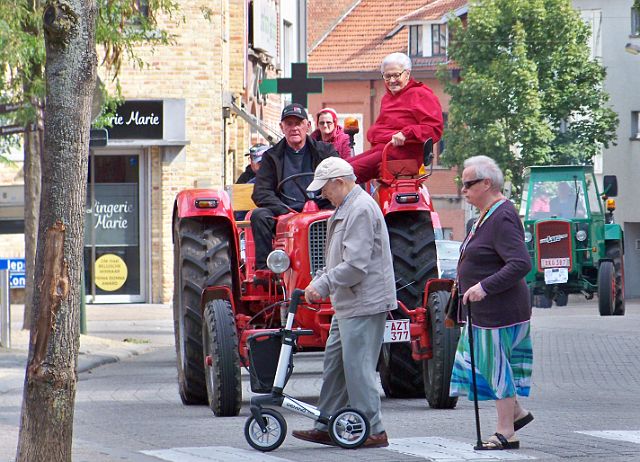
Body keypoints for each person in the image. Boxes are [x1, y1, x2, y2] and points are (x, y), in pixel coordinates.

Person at [291, 157, 396, 448]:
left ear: (340, 182)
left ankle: (373, 429)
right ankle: (328, 423)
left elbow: (356, 265)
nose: (323, 195)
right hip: (348, 302)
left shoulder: (359, 209)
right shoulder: (347, 207)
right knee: (336, 365)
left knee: (357, 368)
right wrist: (319, 281)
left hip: (363, 301)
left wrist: (322, 285)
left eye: (325, 189)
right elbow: (338, 260)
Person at [449, 155, 534, 450]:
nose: (464, 190)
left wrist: (485, 286)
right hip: (484, 311)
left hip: (499, 310)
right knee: (481, 365)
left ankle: (506, 431)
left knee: (497, 369)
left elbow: (521, 263)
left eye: (469, 184)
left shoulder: (503, 215)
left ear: (487, 183)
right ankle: (517, 413)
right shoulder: (483, 216)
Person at [251, 103, 338, 269]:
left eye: (298, 123)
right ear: (282, 127)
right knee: (259, 215)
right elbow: (261, 192)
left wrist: (323, 202)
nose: (294, 128)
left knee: (346, 214)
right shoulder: (272, 156)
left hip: (320, 209)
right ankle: (266, 270)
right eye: (289, 124)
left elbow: (339, 181)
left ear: (308, 126)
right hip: (285, 213)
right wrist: (284, 211)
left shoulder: (325, 152)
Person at [347, 52, 443, 183]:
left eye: (396, 75)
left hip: (400, 155)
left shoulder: (421, 95)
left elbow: (434, 128)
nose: (392, 80)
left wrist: (406, 134)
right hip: (382, 150)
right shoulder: (387, 98)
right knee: (337, 167)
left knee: (344, 173)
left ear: (407, 73)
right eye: (387, 76)